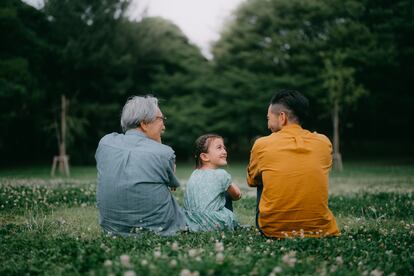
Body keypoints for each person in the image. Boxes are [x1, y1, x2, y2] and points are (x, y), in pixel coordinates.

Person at [247, 90, 340, 238]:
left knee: (261, 178)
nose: (268, 125)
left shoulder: (262, 144)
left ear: (282, 117)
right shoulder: (323, 142)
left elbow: (252, 181)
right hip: (321, 230)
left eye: (268, 118)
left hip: (273, 231)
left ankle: (279, 221)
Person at [95, 95, 186, 236]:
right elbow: (172, 185)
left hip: (112, 228)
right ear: (144, 124)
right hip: (158, 229)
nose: (164, 126)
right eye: (161, 119)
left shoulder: (105, 142)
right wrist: (159, 145)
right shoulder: (164, 152)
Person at [184, 134, 242, 231]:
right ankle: (229, 225)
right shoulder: (221, 174)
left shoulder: (194, 173)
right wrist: (230, 184)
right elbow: (237, 195)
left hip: (191, 222)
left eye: (224, 148)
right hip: (214, 223)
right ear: (204, 157)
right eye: (219, 148)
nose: (224, 151)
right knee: (227, 194)